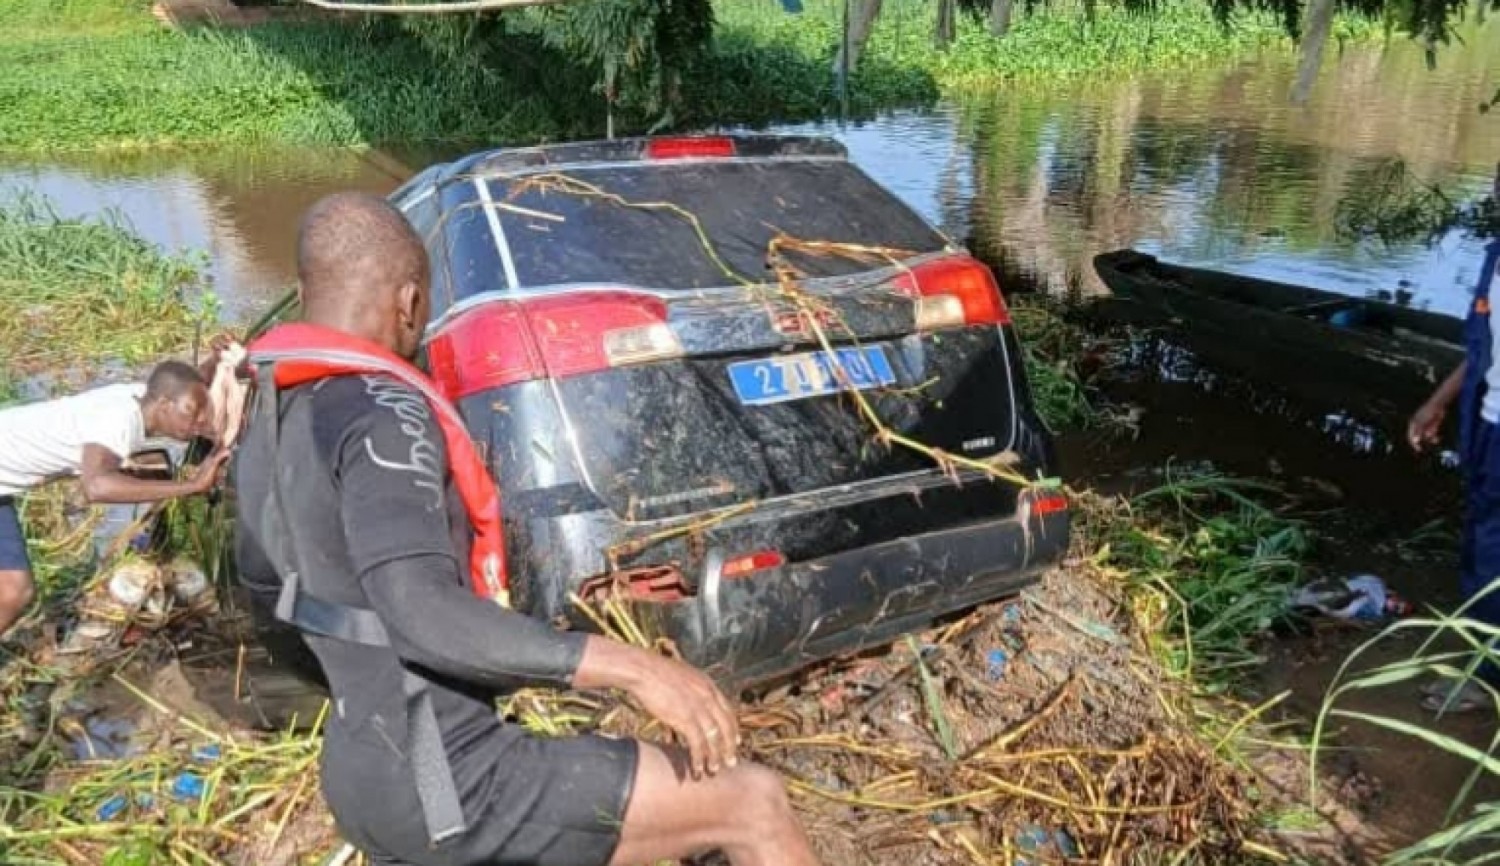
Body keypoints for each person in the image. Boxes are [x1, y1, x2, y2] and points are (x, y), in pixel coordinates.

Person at [233, 192, 819, 866]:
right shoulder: (384, 411)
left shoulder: (271, 419)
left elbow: (267, 597)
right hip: (445, 775)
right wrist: (633, 669)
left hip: (363, 765)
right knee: (750, 802)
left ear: (308, 290)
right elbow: (417, 607)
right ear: (410, 302)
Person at [0, 361, 229, 636]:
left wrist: (216, 363)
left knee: (15, 589)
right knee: (14, 590)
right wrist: (191, 486)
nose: (200, 422)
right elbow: (96, 487)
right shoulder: (118, 421)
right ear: (165, 404)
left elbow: (182, 384)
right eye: (193, 414)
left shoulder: (142, 397)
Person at [1408, 234, 1500, 713]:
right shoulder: (1495, 257)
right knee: (1482, 551)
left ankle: (1487, 679)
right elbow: (1481, 349)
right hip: (1489, 426)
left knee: (1492, 558)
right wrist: (1436, 403)